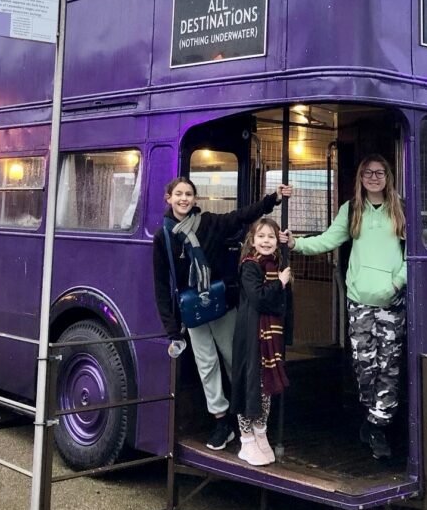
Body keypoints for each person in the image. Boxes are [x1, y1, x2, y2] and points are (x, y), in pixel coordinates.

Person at [152, 177, 292, 450]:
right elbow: (161, 284)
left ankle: (247, 416)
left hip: (222, 304)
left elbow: (240, 216)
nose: (184, 199)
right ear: (168, 198)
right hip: (192, 311)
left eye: (189, 194)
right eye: (178, 194)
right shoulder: (164, 236)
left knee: (234, 359)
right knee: (206, 366)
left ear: (195, 198)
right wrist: (171, 329)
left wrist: (272, 199)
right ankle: (221, 423)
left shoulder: (209, 222)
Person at [282, 154, 406, 460]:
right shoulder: (351, 210)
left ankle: (377, 428)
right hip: (360, 302)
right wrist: (296, 244)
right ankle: (372, 416)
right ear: (360, 177)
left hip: (391, 303)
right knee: (365, 367)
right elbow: (327, 240)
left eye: (379, 172)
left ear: (388, 176)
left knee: (389, 368)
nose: (374, 178)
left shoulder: (401, 208)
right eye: (368, 173)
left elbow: (413, 253)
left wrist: (397, 283)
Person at [229, 217, 291, 466]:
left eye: (271, 237)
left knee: (265, 386)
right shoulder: (250, 266)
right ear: (252, 240)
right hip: (250, 335)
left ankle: (260, 431)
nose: (266, 241)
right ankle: (246, 439)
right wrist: (280, 284)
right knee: (249, 384)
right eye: (261, 236)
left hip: (268, 337)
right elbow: (259, 298)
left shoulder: (275, 265)